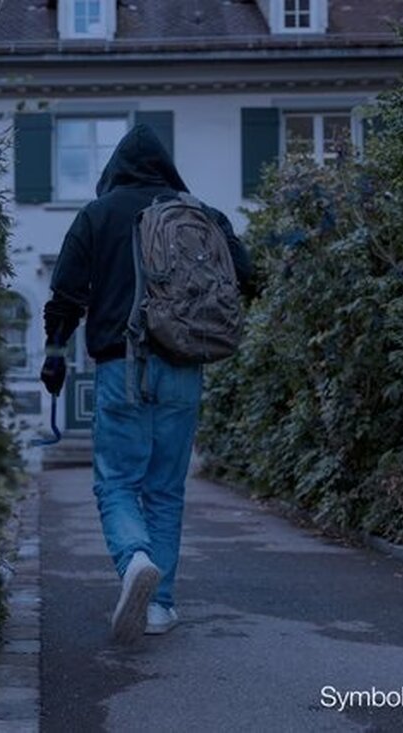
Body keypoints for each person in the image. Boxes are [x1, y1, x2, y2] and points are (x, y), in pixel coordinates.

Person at [39, 123, 253, 643]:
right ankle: (159, 606)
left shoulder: (97, 214)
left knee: (116, 482)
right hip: (184, 364)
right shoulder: (201, 214)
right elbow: (247, 277)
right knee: (164, 489)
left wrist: (55, 353)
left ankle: (134, 558)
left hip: (121, 369)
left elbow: (65, 293)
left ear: (115, 170)